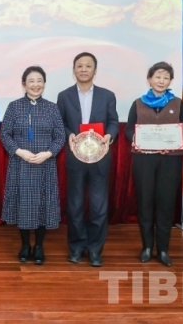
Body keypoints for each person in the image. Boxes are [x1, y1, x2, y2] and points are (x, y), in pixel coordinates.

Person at [124, 62, 183, 267]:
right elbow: (129, 130)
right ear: (149, 79)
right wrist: (138, 139)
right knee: (145, 203)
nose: (161, 81)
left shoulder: (178, 103)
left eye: (166, 77)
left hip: (170, 160)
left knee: (166, 204)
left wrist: (170, 143)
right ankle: (146, 247)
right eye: (158, 77)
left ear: (170, 81)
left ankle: (163, 249)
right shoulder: (138, 103)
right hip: (143, 159)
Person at [57, 52, 118, 267]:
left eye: (88, 66)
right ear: (74, 70)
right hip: (75, 157)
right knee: (75, 206)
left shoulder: (107, 95)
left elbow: (113, 122)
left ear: (95, 70)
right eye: (80, 66)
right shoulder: (64, 96)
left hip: (100, 158)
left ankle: (95, 250)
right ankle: (76, 247)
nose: (84, 69)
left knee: (99, 207)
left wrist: (110, 135)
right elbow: (60, 123)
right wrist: (68, 135)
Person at [0, 66, 65, 265]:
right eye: (31, 81)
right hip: (21, 163)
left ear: (44, 84)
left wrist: (48, 153)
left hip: (45, 163)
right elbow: (4, 134)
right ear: (24, 84)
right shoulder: (14, 107)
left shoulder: (52, 108)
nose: (35, 85)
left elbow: (60, 136)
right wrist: (19, 151)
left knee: (42, 205)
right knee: (23, 204)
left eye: (39, 80)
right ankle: (24, 244)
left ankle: (39, 246)